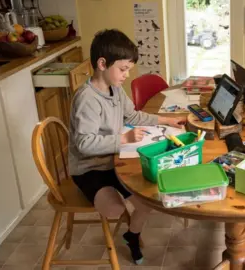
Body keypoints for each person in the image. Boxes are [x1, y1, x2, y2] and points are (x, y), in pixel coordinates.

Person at [68, 29, 186, 264]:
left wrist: (167, 120)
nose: (126, 75)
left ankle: (132, 235)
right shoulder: (86, 99)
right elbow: (83, 143)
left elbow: (133, 115)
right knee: (114, 209)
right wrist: (123, 139)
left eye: (128, 70)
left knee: (149, 198)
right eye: (123, 69)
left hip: (112, 160)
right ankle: (125, 215)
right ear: (102, 64)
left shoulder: (115, 89)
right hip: (89, 170)